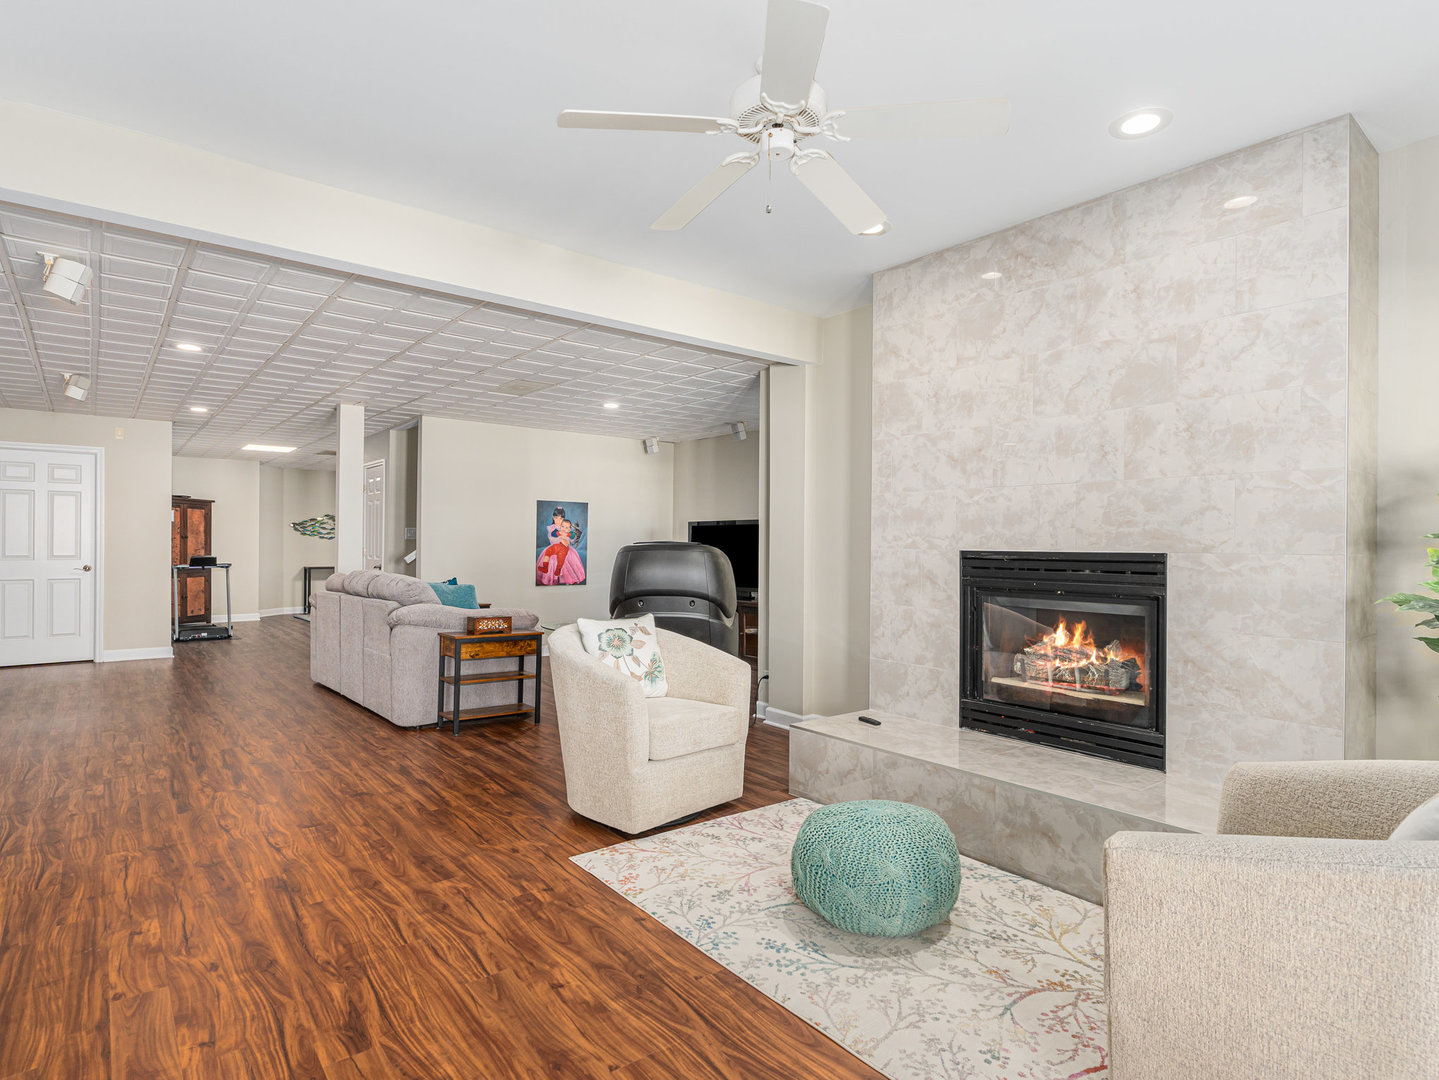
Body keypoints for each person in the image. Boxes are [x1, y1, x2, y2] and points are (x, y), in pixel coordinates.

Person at [537, 508, 586, 585]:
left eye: (560, 519)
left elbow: (572, 540)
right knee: (550, 556)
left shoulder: (565, 527)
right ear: (553, 517)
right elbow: (552, 538)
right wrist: (560, 539)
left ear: (563, 519)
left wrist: (570, 536)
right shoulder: (552, 528)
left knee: (564, 558)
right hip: (555, 546)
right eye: (556, 518)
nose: (558, 520)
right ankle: (548, 572)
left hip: (565, 548)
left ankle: (565, 576)